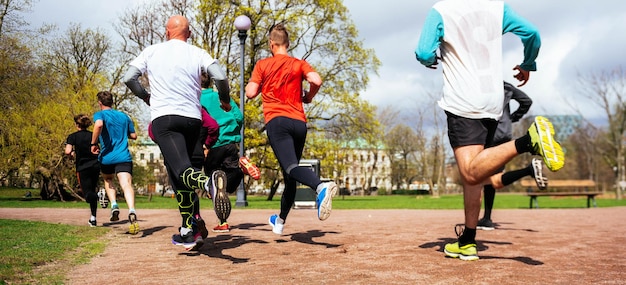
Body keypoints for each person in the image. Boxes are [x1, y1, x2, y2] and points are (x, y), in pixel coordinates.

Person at [415, 0, 564, 261]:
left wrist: (429, 58)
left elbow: (424, 51)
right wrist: (528, 63)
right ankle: (468, 240)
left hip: (463, 101)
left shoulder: (441, 10)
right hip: (492, 100)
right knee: (475, 173)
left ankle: (529, 141)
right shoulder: (498, 7)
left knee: (470, 170)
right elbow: (532, 33)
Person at [122, 15, 232, 250]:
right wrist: (225, 100)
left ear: (166, 32)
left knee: (181, 171)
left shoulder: (151, 51)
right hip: (193, 120)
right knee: (181, 174)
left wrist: (145, 96)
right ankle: (189, 229)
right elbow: (220, 77)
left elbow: (128, 77)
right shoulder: (197, 53)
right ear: (189, 34)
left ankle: (209, 184)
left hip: (165, 119)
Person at [245, 23, 337, 235]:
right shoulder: (298, 63)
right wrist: (309, 96)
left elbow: (250, 93)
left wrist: (256, 84)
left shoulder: (262, 64)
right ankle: (280, 220)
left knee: (289, 167)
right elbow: (316, 79)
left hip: (277, 121)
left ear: (271, 44)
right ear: (287, 43)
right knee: (290, 175)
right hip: (299, 123)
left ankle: (320, 186)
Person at [477, 82, 548, 231]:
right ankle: (487, 217)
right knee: (493, 175)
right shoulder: (505, 86)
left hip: (487, 133)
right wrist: (512, 118)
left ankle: (486, 218)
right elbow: (526, 101)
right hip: (504, 133)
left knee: (479, 174)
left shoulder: (478, 83)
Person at [200, 73, 260, 233]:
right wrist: (232, 128)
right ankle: (241, 169)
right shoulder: (221, 96)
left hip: (212, 145)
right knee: (229, 179)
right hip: (231, 143)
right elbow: (239, 117)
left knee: (212, 183)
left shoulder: (196, 99)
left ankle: (223, 221)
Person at [90, 91, 140, 235]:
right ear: (112, 102)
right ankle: (131, 210)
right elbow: (134, 136)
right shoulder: (124, 116)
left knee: (108, 179)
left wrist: (93, 143)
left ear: (100, 102)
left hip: (107, 157)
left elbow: (98, 125)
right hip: (124, 156)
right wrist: (121, 133)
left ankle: (114, 205)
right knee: (126, 184)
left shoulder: (100, 115)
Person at [65, 114, 101, 227]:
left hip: (82, 167)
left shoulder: (73, 137)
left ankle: (99, 195)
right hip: (95, 165)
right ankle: (93, 218)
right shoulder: (94, 136)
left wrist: (71, 154)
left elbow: (67, 151)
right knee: (92, 190)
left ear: (77, 125)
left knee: (87, 193)